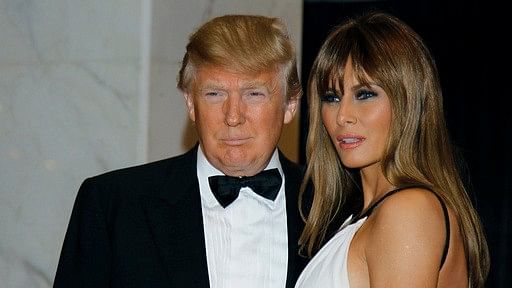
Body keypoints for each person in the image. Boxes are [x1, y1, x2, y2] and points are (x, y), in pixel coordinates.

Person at [53, 14, 308, 288]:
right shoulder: (113, 206)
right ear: (190, 103)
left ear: (290, 104)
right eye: (215, 94)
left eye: (254, 94)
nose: (233, 116)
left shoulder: (335, 206)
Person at [294, 12, 489, 288]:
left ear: (408, 103)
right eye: (332, 97)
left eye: (365, 94)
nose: (342, 116)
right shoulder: (366, 217)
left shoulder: (408, 211)